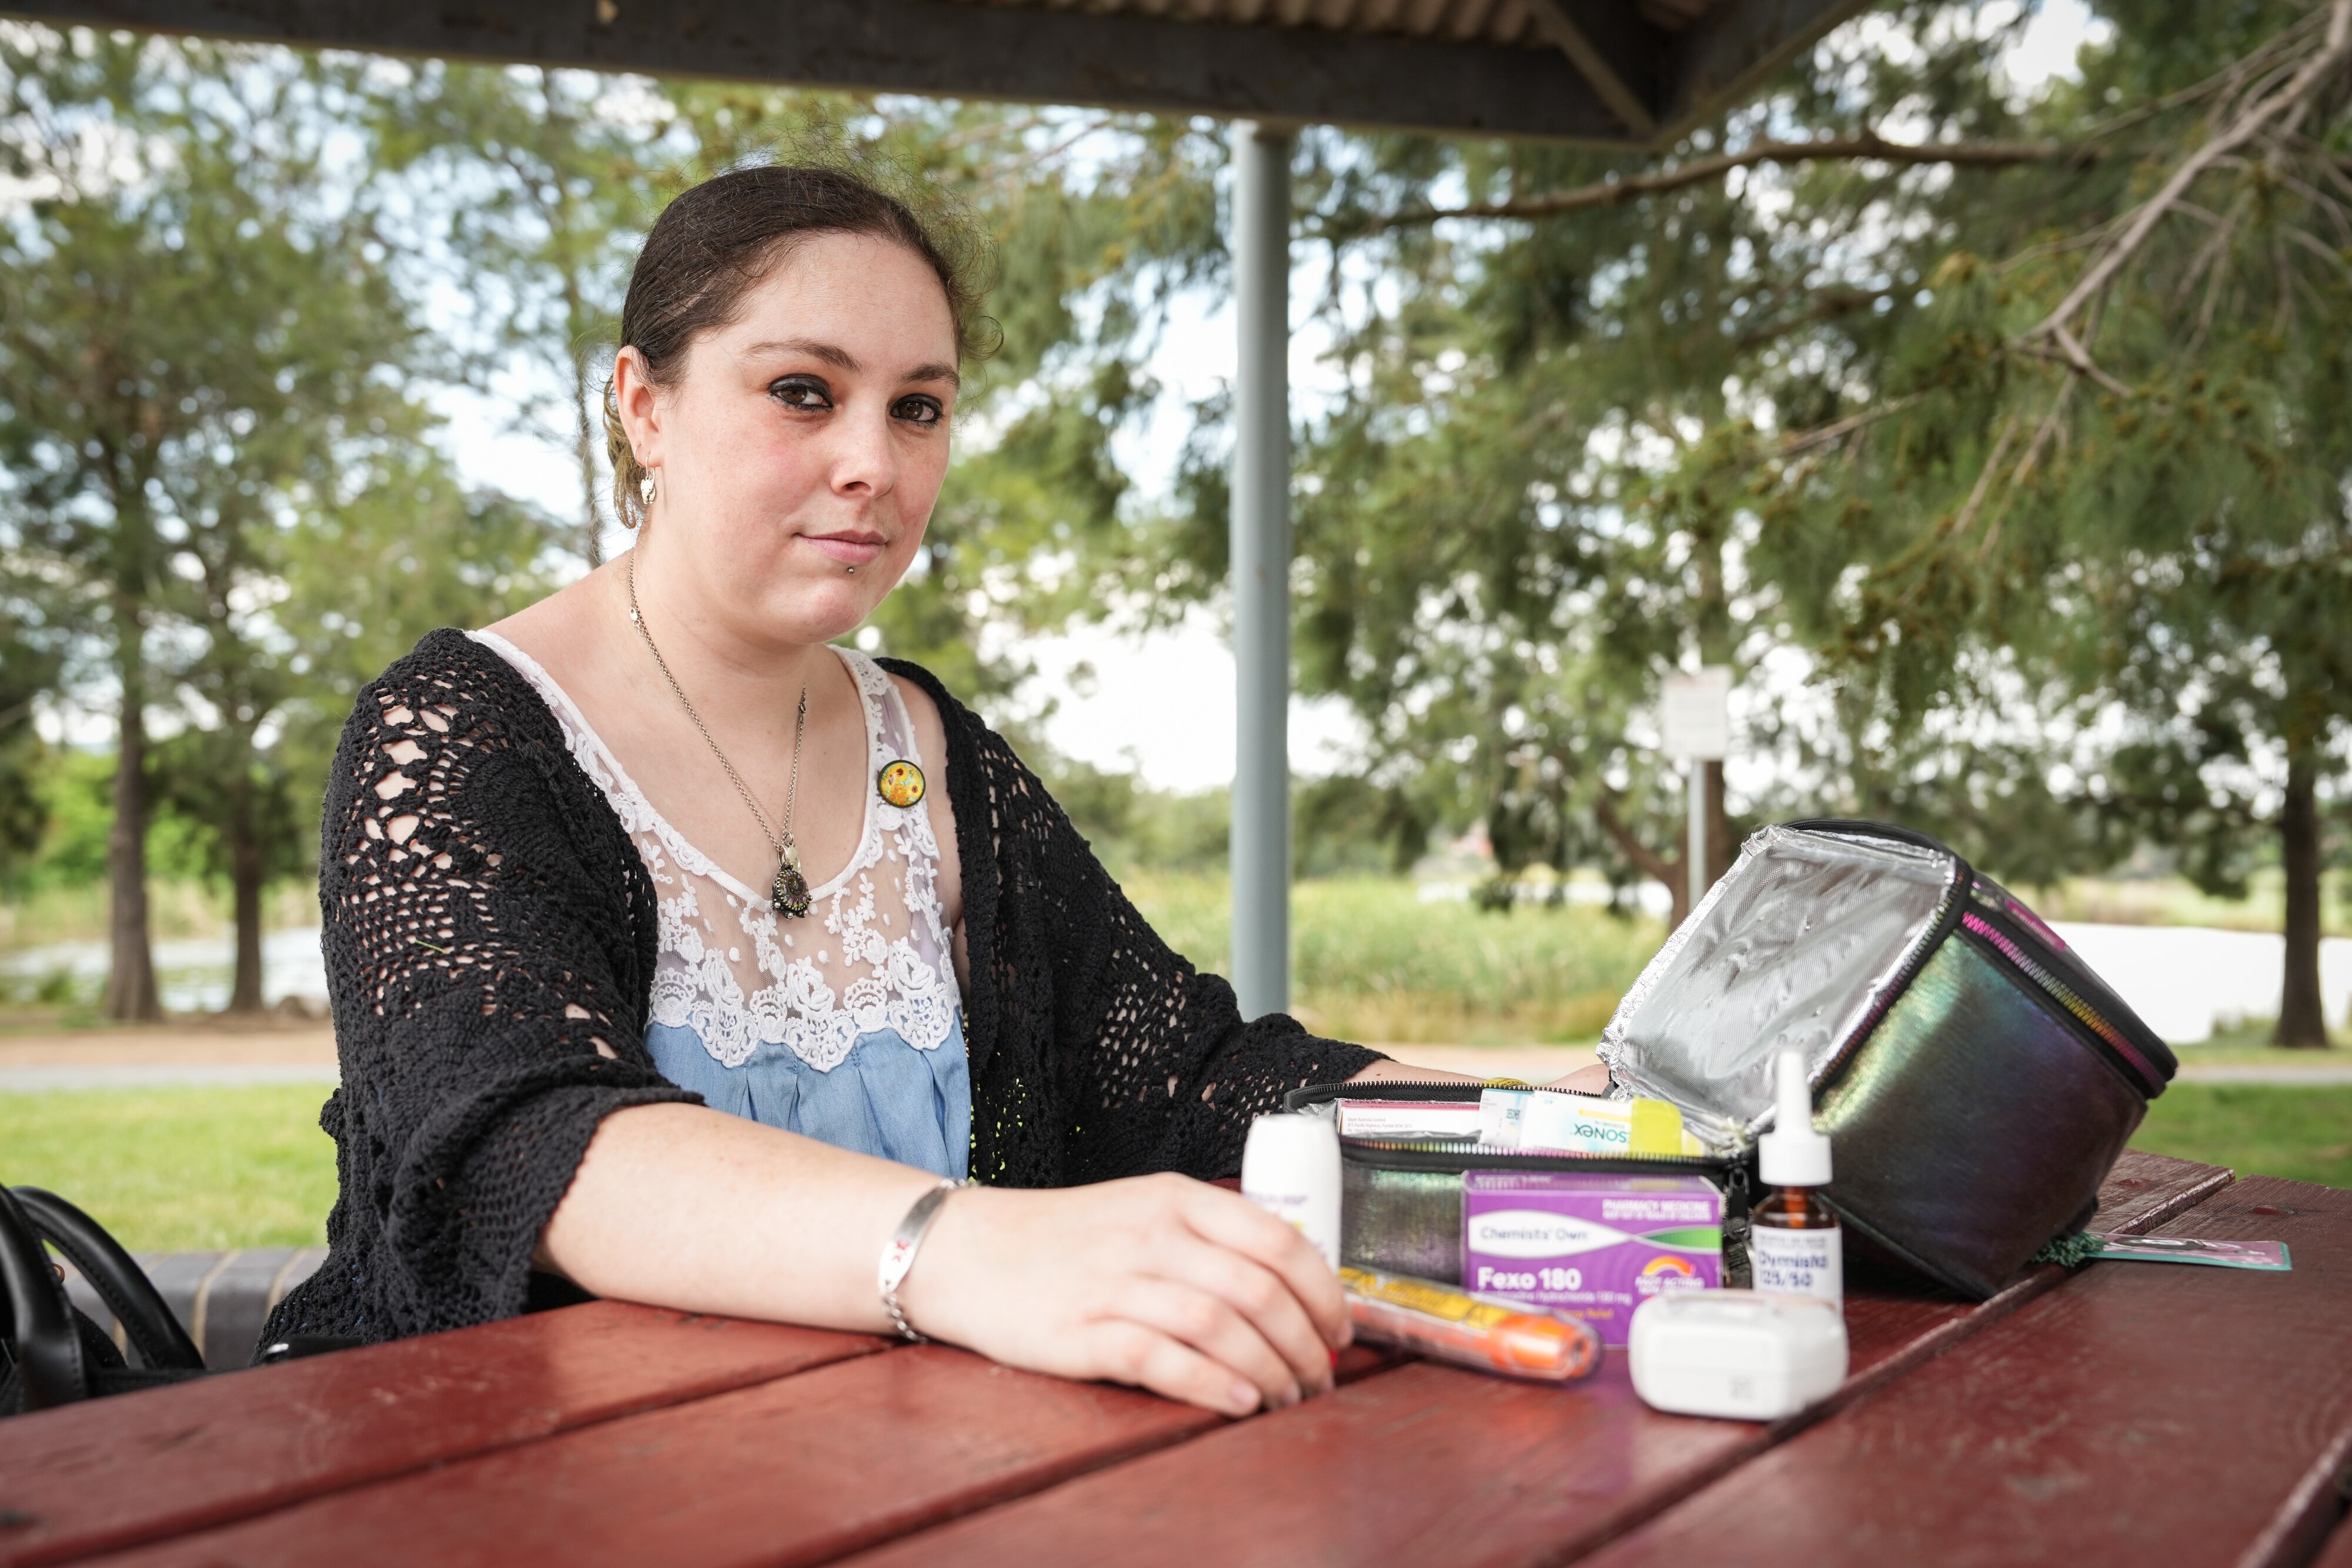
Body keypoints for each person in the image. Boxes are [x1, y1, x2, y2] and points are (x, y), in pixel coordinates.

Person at [266, 163, 1605, 1415]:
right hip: (492, 1467)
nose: (876, 463)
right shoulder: (452, 730)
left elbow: (1191, 1075)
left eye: (918, 406)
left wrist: (1540, 1115)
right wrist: (958, 1252)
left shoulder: (926, 743)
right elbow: (524, 1143)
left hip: (900, 1459)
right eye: (803, 390)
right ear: (642, 403)